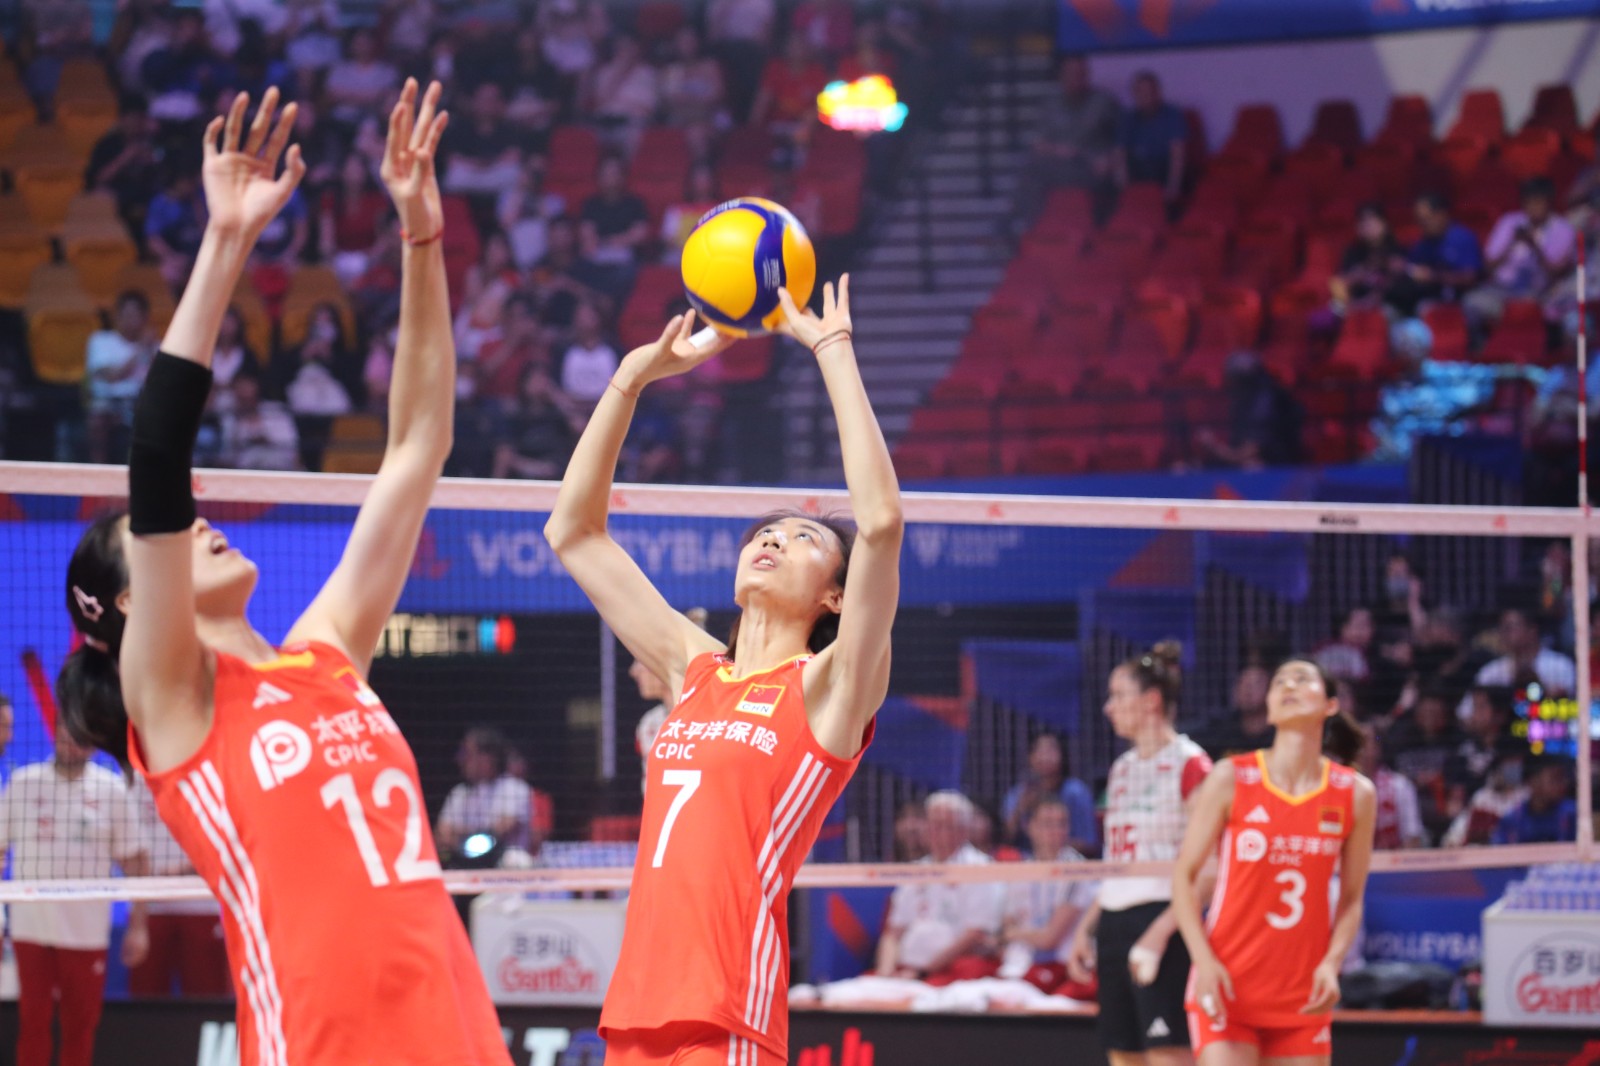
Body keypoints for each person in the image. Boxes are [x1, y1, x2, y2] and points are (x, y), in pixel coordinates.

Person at [56, 84, 511, 1066]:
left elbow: (418, 444)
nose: (199, 525)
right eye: (164, 536)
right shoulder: (171, 704)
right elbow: (158, 459)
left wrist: (422, 237)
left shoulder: (324, 654)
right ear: (132, 602)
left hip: (461, 1043)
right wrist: (226, 241)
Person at [545, 273, 902, 1066]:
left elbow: (881, 523)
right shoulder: (695, 671)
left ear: (837, 595)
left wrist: (832, 350)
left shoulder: (831, 687)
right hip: (636, 1009)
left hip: (726, 1010)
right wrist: (630, 380)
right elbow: (573, 532)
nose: (773, 539)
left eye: (803, 539)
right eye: (765, 533)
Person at [1171, 658, 1376, 1065]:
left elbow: (1352, 899)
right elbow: (1184, 877)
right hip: (1227, 987)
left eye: (1302, 679)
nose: (1289, 686)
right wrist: (1203, 962)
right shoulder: (1232, 777)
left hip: (1302, 996)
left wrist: (1332, 964)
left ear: (1330, 705)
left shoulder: (1355, 793)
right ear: (1268, 708)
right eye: (1279, 681)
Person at [1068, 643, 1212, 1066]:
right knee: (1123, 1052)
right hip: (1114, 923)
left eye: (1118, 695)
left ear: (1151, 701)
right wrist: (1087, 928)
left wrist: (1159, 933)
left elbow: (1211, 870)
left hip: (1165, 919)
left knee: (1168, 1053)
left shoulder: (1192, 764)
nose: (1109, 707)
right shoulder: (1122, 768)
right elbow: (1120, 864)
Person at [0, 721, 151, 1066]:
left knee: (80, 1027)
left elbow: (135, 859)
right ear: (56, 731)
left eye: (83, 734)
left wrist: (139, 925)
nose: (73, 741)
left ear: (94, 741)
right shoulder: (22, 783)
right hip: (30, 928)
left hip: (86, 931)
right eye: (68, 731)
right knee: (33, 1023)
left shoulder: (111, 789)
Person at [875, 791, 1004, 983]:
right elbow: (893, 933)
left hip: (952, 969)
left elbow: (976, 935)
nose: (933, 831)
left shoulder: (981, 869)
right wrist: (885, 973)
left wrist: (922, 972)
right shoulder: (916, 871)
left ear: (963, 830)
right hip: (907, 969)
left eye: (944, 825)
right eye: (931, 823)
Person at [999, 797, 1097, 996]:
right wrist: (1013, 934)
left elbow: (1050, 938)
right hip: (1020, 965)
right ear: (1029, 827)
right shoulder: (1021, 871)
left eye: (1061, 824)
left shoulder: (1076, 870)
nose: (1055, 831)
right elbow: (1006, 927)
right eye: (1047, 823)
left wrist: (1015, 934)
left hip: (1063, 966)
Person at [1011, 54, 1120, 231]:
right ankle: (1033, 227)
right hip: (1062, 167)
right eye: (1070, 73)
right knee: (1031, 167)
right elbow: (1038, 143)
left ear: (1087, 74)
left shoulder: (1104, 102)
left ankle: (1098, 230)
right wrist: (1057, 149)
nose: (1076, 78)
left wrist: (1110, 159)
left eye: (1080, 73)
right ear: (1061, 76)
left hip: (1093, 168)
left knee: (1110, 180)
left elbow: (1124, 139)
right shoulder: (1050, 105)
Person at [1464, 177, 1577, 334]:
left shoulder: (1563, 230)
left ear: (1549, 202)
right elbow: (1488, 266)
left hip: (1540, 294)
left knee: (1529, 306)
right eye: (1528, 203)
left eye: (1537, 203)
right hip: (1501, 290)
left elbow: (1555, 273)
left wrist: (1535, 247)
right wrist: (1511, 243)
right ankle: (1482, 344)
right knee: (1472, 301)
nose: (1532, 208)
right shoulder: (1509, 222)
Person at [435, 726, 534, 863]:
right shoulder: (458, 793)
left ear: (487, 758)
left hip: (504, 865)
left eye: (467, 754)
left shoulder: (515, 788)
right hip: (463, 862)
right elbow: (442, 835)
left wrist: (458, 833)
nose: (460, 759)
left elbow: (501, 831)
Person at [85, 291, 158, 464]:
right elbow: (112, 376)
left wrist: (151, 351)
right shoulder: (101, 340)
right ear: (117, 316)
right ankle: (98, 470)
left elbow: (160, 383)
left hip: (140, 403)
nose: (130, 320)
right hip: (108, 402)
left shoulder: (155, 347)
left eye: (135, 315)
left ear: (145, 318)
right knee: (98, 419)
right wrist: (141, 349)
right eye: (126, 315)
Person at [1001, 732, 1098, 855]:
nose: (1045, 756)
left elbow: (1090, 844)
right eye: (1039, 750)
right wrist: (1020, 808)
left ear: (1062, 756)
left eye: (1051, 750)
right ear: (1030, 757)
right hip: (1025, 860)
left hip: (1067, 859)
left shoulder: (1075, 792)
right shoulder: (1018, 794)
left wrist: (1051, 844)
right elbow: (1003, 839)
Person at [1390, 192, 1484, 317]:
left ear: (1442, 214)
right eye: (1419, 220)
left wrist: (1433, 276)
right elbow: (1412, 268)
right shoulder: (1423, 243)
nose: (1422, 224)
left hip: (1465, 296)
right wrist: (1402, 267)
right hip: (1433, 295)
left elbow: (1470, 278)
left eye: (1426, 219)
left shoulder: (1463, 238)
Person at [1115, 71, 1187, 209]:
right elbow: (1120, 151)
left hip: (1162, 168)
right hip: (1138, 168)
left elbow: (1178, 153)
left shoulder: (1172, 114)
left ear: (1158, 92)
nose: (1145, 96)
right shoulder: (1128, 118)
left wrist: (1173, 186)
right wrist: (1122, 184)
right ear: (1134, 94)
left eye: (1149, 91)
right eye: (1140, 92)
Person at [1492, 755, 1576, 844]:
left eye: (1563, 778)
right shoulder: (1513, 820)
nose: (1563, 784)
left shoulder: (1573, 814)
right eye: (1555, 778)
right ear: (1533, 782)